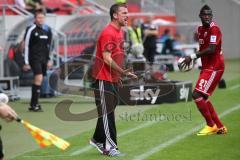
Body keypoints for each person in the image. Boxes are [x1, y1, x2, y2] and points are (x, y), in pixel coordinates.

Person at [91, 3, 137, 157]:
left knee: (107, 112)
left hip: (112, 78)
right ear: (115, 15)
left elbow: (116, 56)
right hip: (103, 79)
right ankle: (111, 147)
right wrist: (122, 72)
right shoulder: (108, 33)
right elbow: (106, 58)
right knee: (108, 113)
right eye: (124, 13)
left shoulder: (119, 32)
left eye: (127, 12)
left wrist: (118, 76)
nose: (127, 15)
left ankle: (97, 139)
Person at [182, 5, 227, 135]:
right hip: (207, 67)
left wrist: (192, 56)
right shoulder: (200, 29)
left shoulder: (215, 29)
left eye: (209, 15)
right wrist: (195, 58)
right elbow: (203, 49)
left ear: (211, 16)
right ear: (200, 16)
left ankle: (210, 125)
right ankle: (220, 126)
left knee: (196, 94)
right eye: (204, 15)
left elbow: (212, 49)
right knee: (204, 98)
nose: (207, 17)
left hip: (215, 67)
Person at [23, 10, 53, 112]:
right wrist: (26, 62)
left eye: (42, 17)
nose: (41, 19)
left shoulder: (46, 31)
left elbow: (47, 47)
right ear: (35, 19)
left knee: (39, 80)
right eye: (39, 17)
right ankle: (34, 104)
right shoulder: (30, 29)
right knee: (39, 78)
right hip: (34, 59)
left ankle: (34, 104)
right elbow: (26, 46)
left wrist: (49, 59)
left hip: (43, 59)